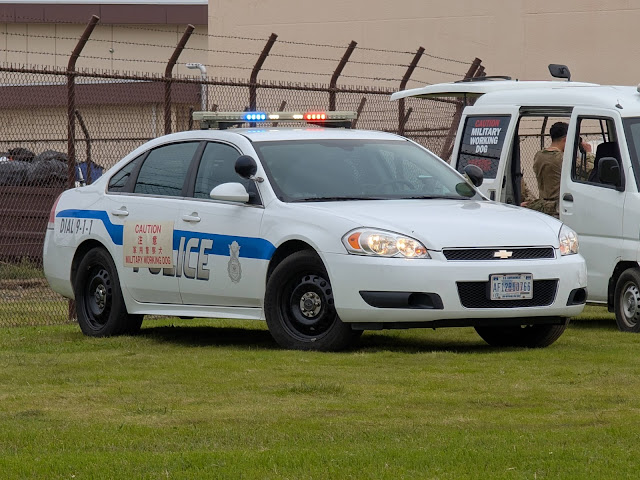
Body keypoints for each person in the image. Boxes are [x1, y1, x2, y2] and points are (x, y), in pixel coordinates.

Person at [526, 122, 593, 217]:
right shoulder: (562, 158)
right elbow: (590, 170)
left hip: (542, 206)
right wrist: (588, 153)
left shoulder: (539, 155)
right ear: (566, 139)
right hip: (557, 209)